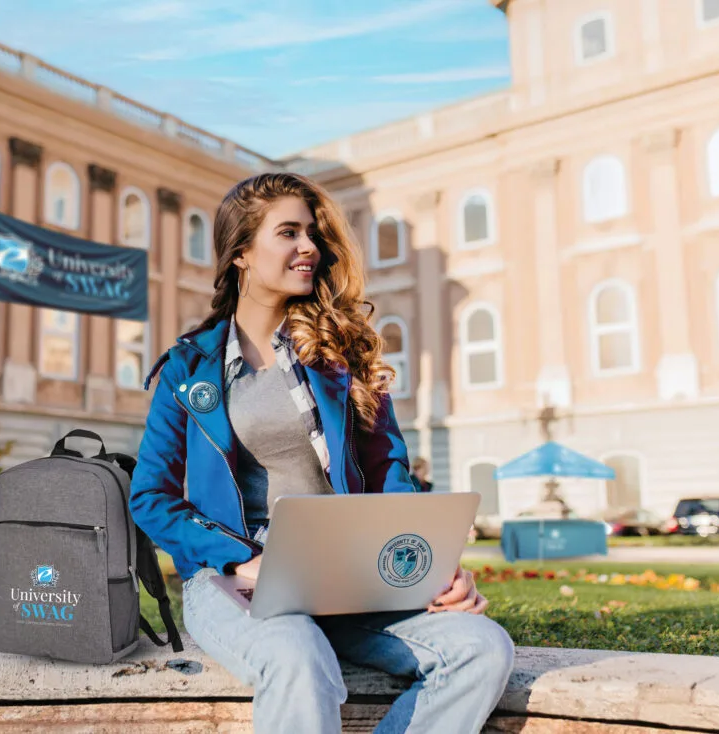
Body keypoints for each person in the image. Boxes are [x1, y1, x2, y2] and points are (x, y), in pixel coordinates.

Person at [130, 172, 514, 734]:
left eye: (311, 233)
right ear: (241, 252)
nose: (309, 246)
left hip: (347, 571)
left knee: (481, 646)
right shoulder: (188, 369)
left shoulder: (342, 353)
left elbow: (389, 470)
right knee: (294, 652)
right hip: (234, 575)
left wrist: (430, 567)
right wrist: (242, 557)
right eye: (288, 233)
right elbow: (151, 496)